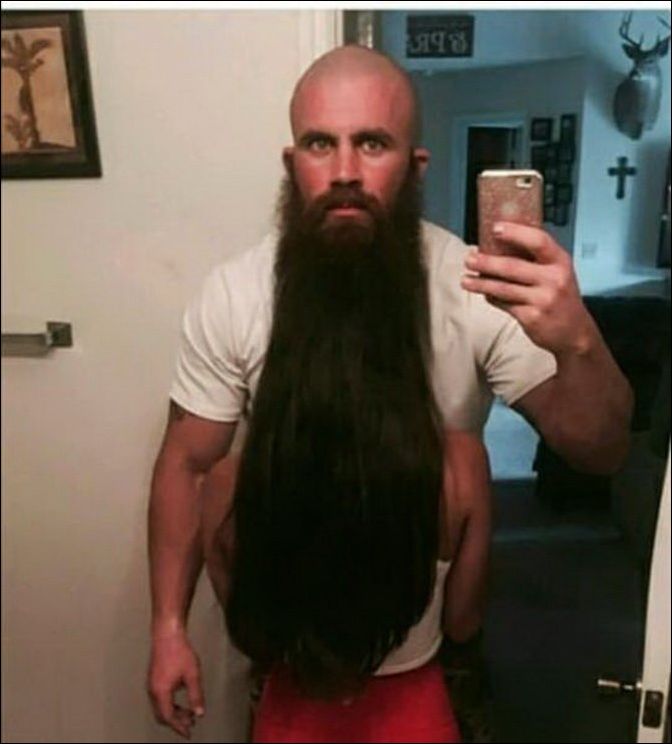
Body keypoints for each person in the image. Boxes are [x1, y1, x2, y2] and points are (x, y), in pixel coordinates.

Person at [146, 44, 633, 741]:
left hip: (428, 647)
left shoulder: (475, 286)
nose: (344, 171)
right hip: (290, 640)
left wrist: (578, 340)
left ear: (415, 165)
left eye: (372, 143)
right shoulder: (235, 294)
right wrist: (168, 628)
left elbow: (600, 450)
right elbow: (189, 465)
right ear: (292, 162)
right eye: (320, 144)